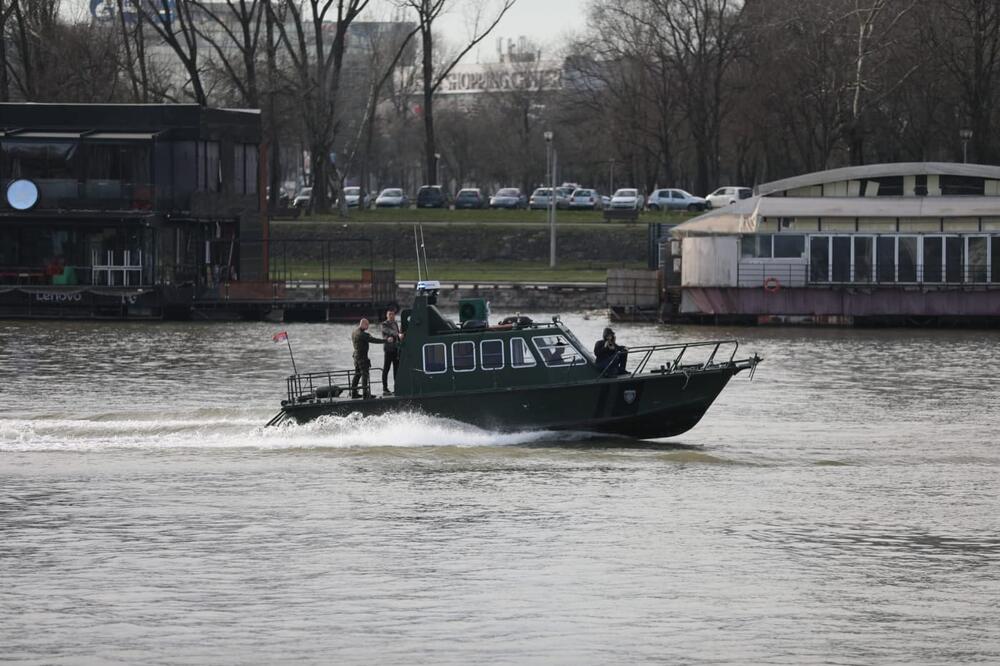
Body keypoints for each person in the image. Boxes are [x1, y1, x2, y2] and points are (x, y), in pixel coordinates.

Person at [350, 318, 384, 399]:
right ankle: (365, 394)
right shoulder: (362, 334)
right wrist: (386, 341)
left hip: (356, 357)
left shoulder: (354, 332)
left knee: (357, 375)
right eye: (367, 325)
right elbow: (374, 340)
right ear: (363, 324)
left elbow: (366, 336)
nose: (368, 326)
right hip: (362, 357)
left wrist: (368, 335)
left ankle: (353, 393)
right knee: (364, 375)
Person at [380, 308, 403, 395]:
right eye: (389, 314)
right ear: (387, 315)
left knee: (396, 370)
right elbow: (388, 331)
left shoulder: (395, 323)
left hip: (396, 350)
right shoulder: (384, 324)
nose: (391, 316)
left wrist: (401, 334)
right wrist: (398, 334)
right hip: (388, 350)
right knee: (386, 369)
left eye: (393, 314)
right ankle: (385, 389)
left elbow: (398, 334)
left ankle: (396, 388)